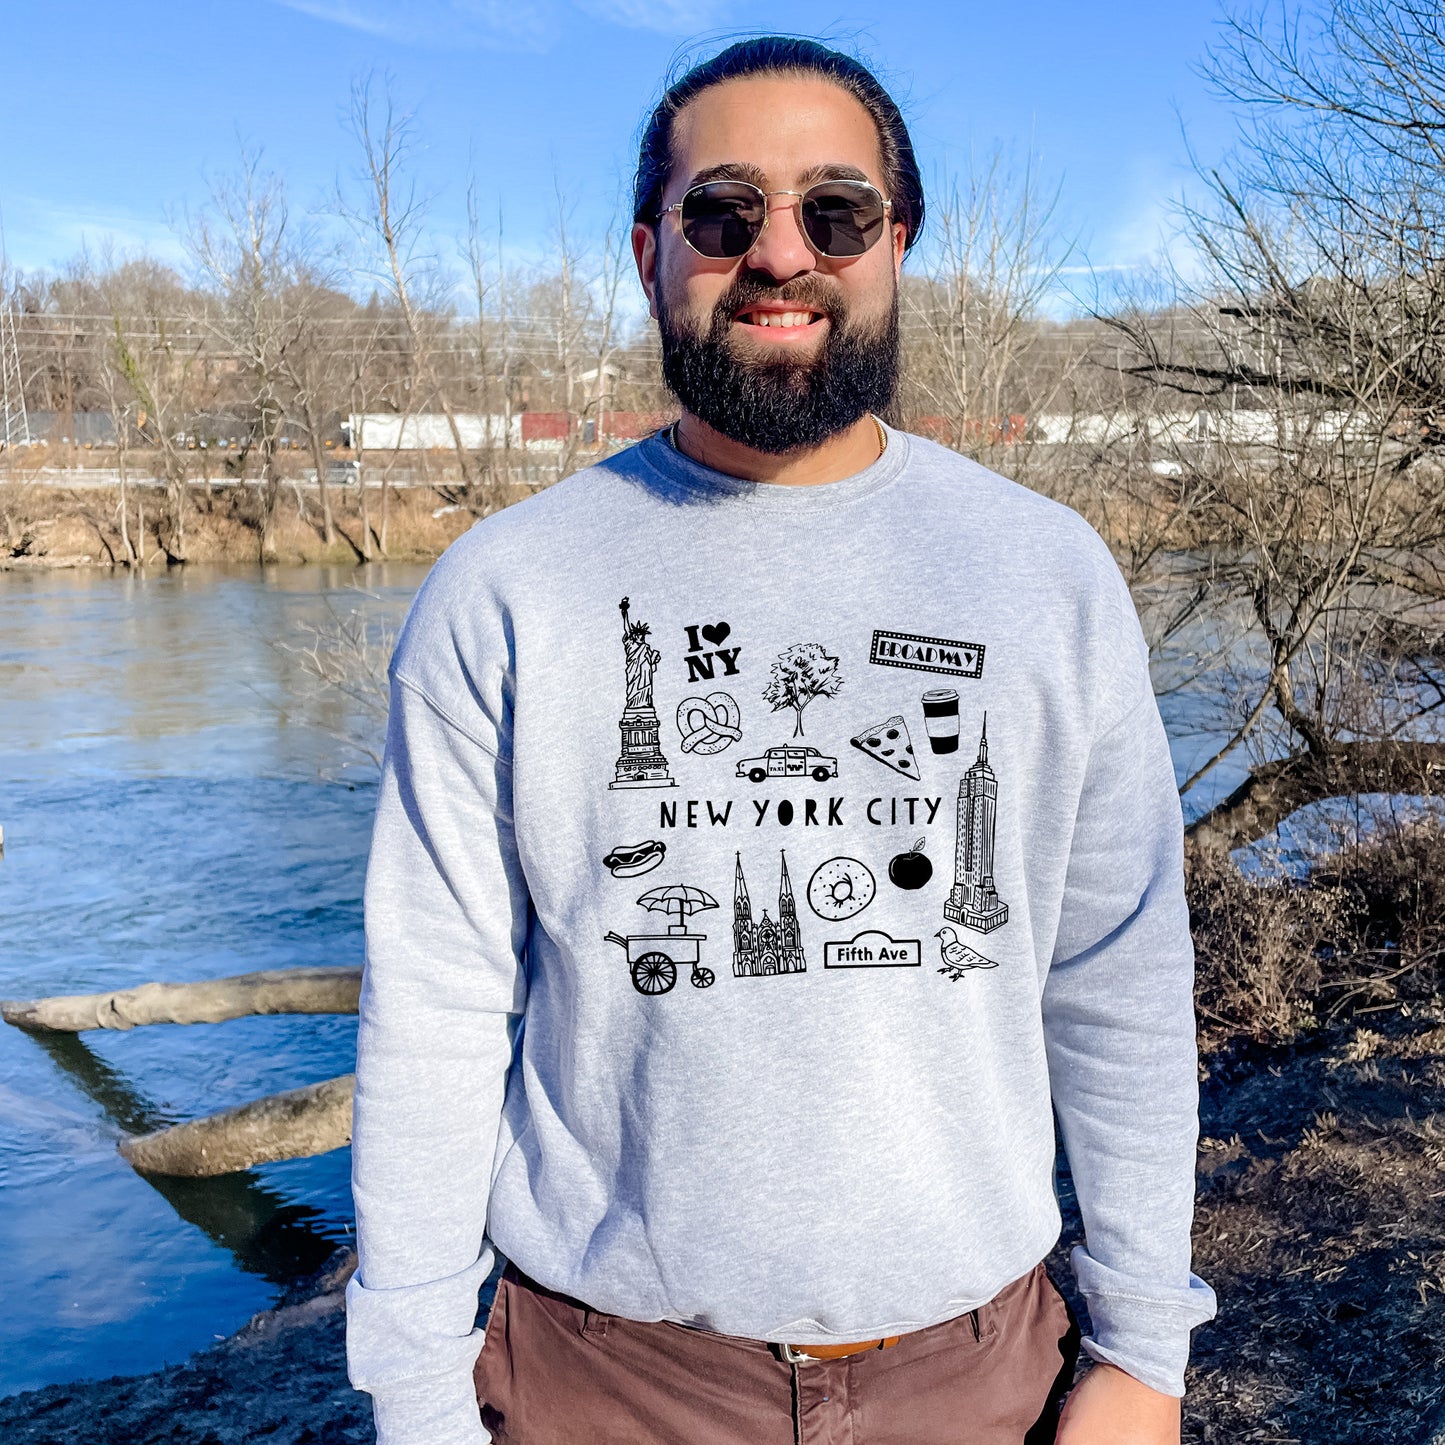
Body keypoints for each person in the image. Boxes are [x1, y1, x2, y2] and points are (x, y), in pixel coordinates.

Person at [345, 36, 1217, 1445]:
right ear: (649, 252)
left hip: (980, 1375)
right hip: (600, 1385)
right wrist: (415, 1391)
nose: (778, 252)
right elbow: (436, 1012)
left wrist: (1142, 1350)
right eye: (722, 210)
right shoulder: (506, 588)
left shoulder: (1044, 574)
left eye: (835, 211)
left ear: (895, 242)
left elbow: (1115, 979)